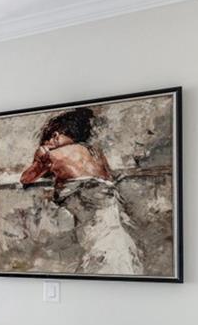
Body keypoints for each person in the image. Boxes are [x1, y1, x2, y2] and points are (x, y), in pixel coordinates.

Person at [20, 107, 142, 275]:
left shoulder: (54, 155)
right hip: (119, 242)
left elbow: (26, 178)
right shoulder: (96, 153)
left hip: (99, 249)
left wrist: (40, 156)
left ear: (55, 137)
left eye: (47, 140)